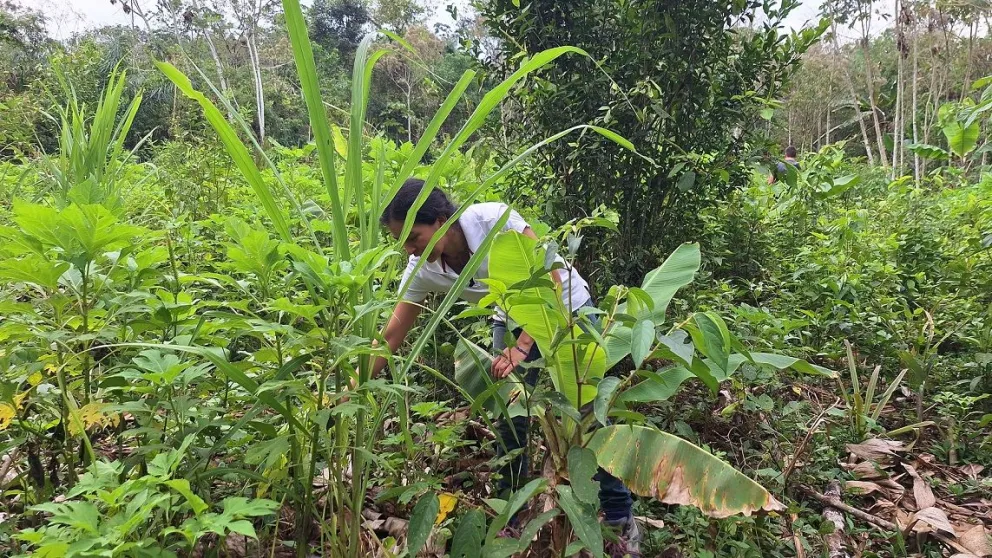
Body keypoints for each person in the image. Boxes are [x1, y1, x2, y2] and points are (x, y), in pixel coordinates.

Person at [370, 178, 640, 557]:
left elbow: (550, 278)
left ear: (442, 221)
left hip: (567, 309)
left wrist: (523, 346)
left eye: (414, 237)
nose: (410, 250)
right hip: (510, 318)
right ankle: (512, 514)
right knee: (510, 415)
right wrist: (356, 380)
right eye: (404, 243)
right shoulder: (422, 267)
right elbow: (393, 333)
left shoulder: (492, 220)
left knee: (588, 416)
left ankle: (619, 519)